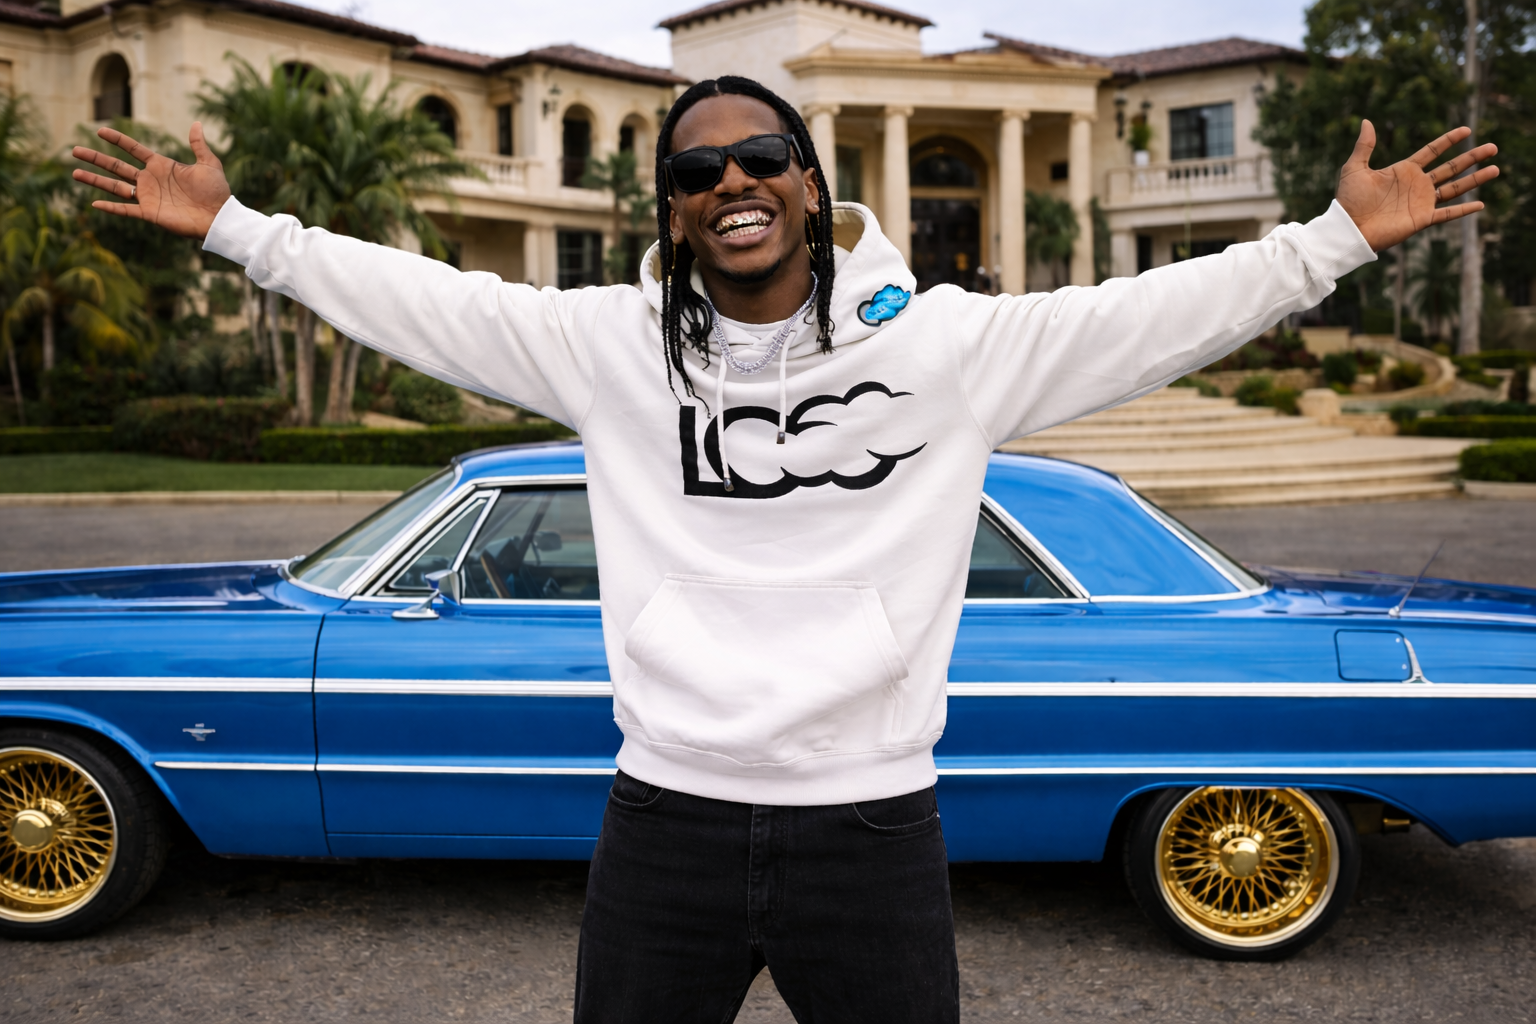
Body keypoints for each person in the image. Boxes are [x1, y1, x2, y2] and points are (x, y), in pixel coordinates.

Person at [75, 75, 1496, 1023]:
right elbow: (424, 299)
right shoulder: (607, 348)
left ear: (813, 187)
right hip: (663, 822)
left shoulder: (942, 349)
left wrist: (1331, 243)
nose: (731, 182)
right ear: (674, 207)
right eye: (697, 170)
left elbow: (1145, 316)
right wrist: (239, 231)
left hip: (871, 830)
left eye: (761, 159)